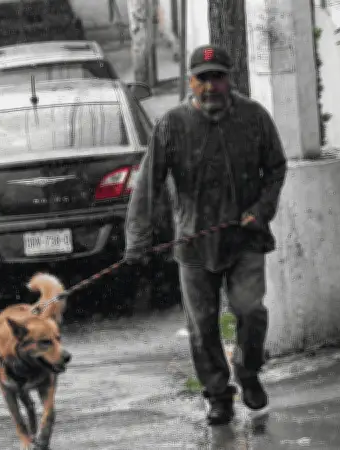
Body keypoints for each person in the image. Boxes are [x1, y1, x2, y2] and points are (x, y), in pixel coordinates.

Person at [123, 44, 287, 425]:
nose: (211, 86)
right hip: (194, 244)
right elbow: (147, 186)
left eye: (218, 77)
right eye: (203, 78)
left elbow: (276, 169)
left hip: (245, 238)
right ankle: (217, 394)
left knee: (251, 310)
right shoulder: (172, 126)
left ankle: (247, 369)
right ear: (190, 82)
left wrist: (260, 212)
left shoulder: (254, 118)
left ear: (230, 79)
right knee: (202, 326)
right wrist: (137, 240)